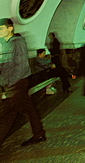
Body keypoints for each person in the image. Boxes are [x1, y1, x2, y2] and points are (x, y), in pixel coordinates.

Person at [0, 18, 46, 147]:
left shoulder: (17, 43)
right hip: (12, 83)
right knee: (27, 108)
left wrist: (9, 82)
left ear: (10, 28)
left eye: (1, 28)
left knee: (7, 113)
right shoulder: (5, 43)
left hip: (17, 83)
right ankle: (39, 133)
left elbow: (21, 66)